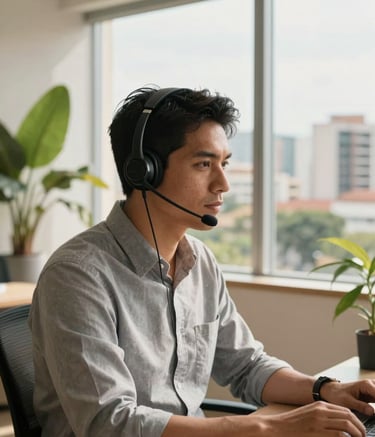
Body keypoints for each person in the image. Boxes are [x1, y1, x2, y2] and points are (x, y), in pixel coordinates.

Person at [29, 85, 375, 437]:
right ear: (144, 170)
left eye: (223, 164)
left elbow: (245, 365)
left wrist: (325, 389)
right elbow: (110, 422)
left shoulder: (200, 262)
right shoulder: (78, 275)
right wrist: (264, 427)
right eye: (204, 164)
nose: (222, 183)